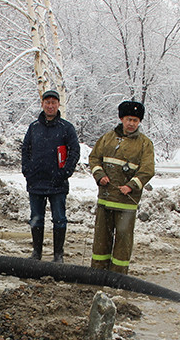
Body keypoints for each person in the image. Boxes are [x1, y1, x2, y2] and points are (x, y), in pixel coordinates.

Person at [88, 100, 154, 274]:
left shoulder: (144, 144)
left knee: (123, 244)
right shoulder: (107, 138)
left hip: (126, 204)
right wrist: (100, 175)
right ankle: (97, 273)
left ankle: (118, 276)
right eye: (128, 119)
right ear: (121, 119)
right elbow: (94, 158)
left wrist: (131, 186)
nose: (131, 123)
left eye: (135, 120)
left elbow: (147, 170)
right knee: (101, 241)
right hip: (105, 200)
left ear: (139, 122)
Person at [21, 89, 79, 263]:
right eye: (47, 102)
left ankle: (58, 255)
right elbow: (25, 150)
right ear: (42, 104)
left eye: (54, 102)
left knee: (59, 219)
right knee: (36, 218)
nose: (50, 106)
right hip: (36, 182)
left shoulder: (66, 128)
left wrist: (65, 173)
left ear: (58, 105)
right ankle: (36, 253)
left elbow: (74, 151)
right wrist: (27, 171)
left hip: (57, 183)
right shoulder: (33, 128)